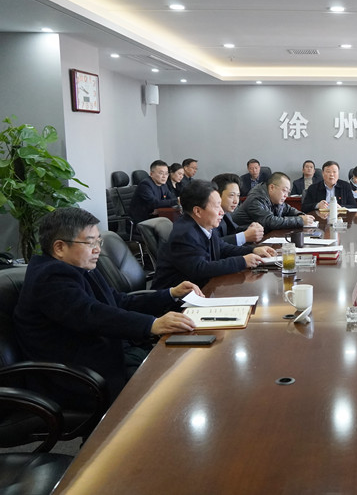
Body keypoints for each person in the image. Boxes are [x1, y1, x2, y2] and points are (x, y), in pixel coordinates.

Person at [13, 207, 198, 406]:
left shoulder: (79, 266)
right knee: (175, 390)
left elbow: (118, 302)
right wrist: (151, 324)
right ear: (59, 248)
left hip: (109, 356)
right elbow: (91, 314)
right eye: (90, 242)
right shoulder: (50, 277)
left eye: (98, 241)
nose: (97, 249)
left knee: (184, 370)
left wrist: (170, 293)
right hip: (78, 378)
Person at [152, 180, 276, 289]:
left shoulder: (203, 225)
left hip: (201, 289)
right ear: (198, 211)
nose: (222, 212)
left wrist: (253, 250)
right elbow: (200, 269)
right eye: (217, 206)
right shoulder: (185, 233)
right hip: (177, 301)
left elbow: (223, 248)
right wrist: (242, 261)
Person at [234, 172, 315, 230]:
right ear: (272, 187)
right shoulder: (256, 199)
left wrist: (300, 215)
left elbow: (288, 209)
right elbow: (270, 222)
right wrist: (300, 220)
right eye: (284, 190)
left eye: (288, 192)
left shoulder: (274, 198)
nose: (286, 195)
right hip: (242, 240)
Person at [211, 173, 264, 245]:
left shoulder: (226, 212)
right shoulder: (210, 215)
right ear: (217, 194)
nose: (236, 201)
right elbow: (213, 244)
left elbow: (234, 230)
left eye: (238, 195)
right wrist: (244, 236)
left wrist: (251, 229)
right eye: (231, 195)